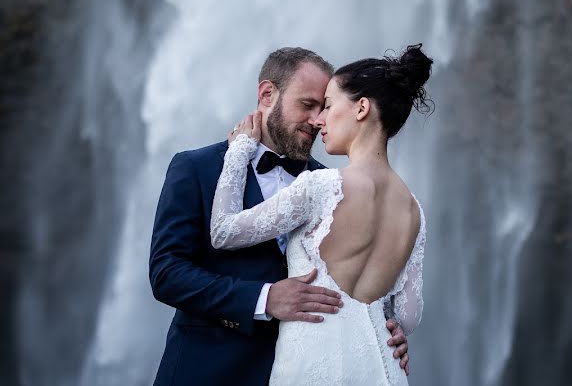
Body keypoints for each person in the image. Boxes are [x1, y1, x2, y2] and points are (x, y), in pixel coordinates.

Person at [149, 48, 410, 385]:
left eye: (325, 107)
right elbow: (167, 273)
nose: (318, 120)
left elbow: (356, 279)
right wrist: (264, 298)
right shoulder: (196, 168)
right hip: (207, 370)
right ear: (267, 94)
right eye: (307, 105)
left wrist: (388, 330)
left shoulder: (333, 186)